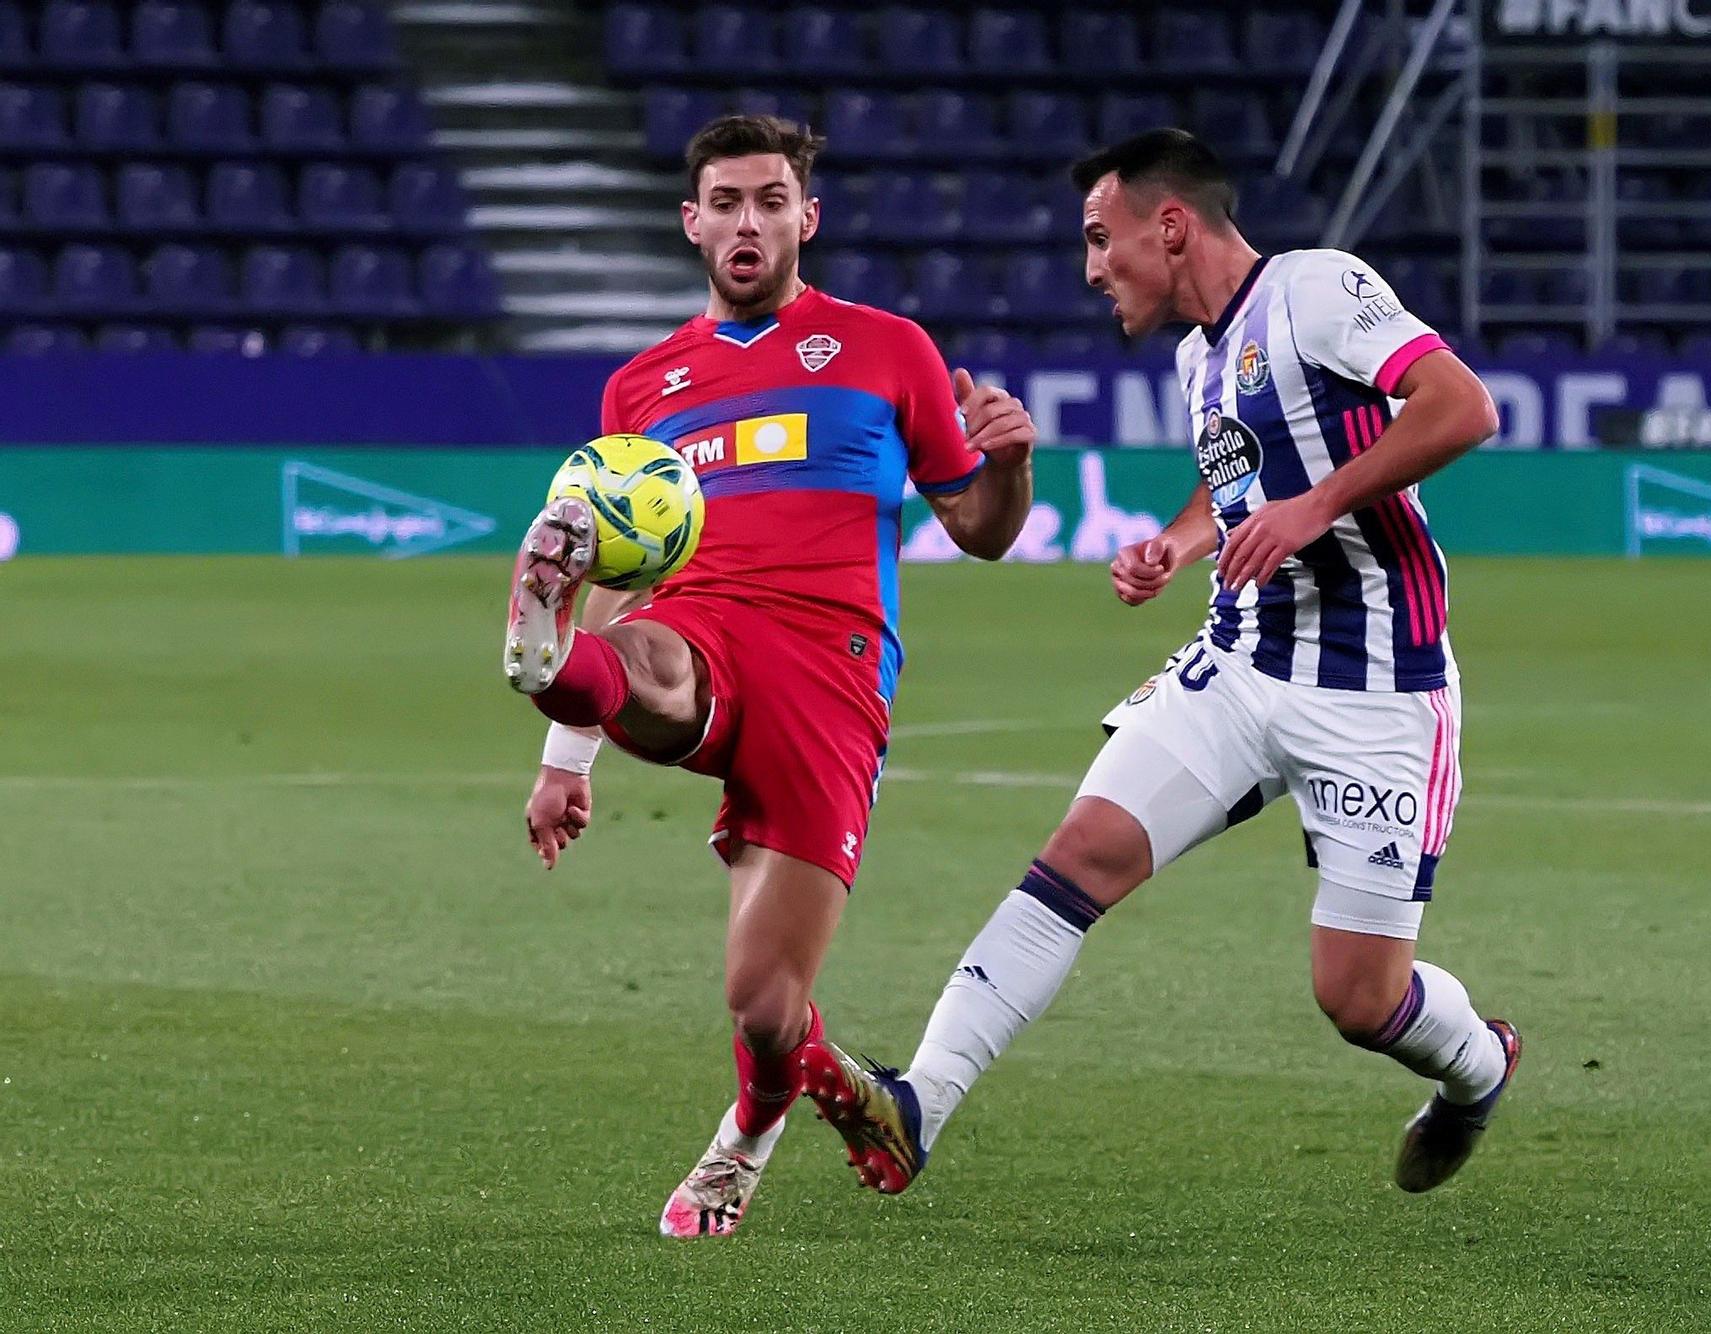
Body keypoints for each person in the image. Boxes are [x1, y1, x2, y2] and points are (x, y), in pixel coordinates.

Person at [802, 128, 1516, 1197]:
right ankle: (919, 1104)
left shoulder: (1314, 291)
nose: (1090, 268)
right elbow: (1233, 479)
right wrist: (1180, 543)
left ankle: (1477, 1069)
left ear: (1168, 223)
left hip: (1375, 684)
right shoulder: (1199, 354)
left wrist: (1314, 504)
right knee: (1078, 852)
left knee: (1358, 998)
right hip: (1242, 659)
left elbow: (1462, 405)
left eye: (1100, 238)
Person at [501, 114, 1036, 1237]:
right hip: (696, 629)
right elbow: (618, 575)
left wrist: (1012, 460)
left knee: (764, 1003)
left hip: (831, 664)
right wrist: (565, 754)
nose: (748, 222)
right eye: (726, 202)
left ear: (806, 217)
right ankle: (548, 666)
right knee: (642, 655)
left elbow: (980, 530)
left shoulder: (890, 349)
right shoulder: (639, 389)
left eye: (770, 199)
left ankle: (767, 1123)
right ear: (692, 221)